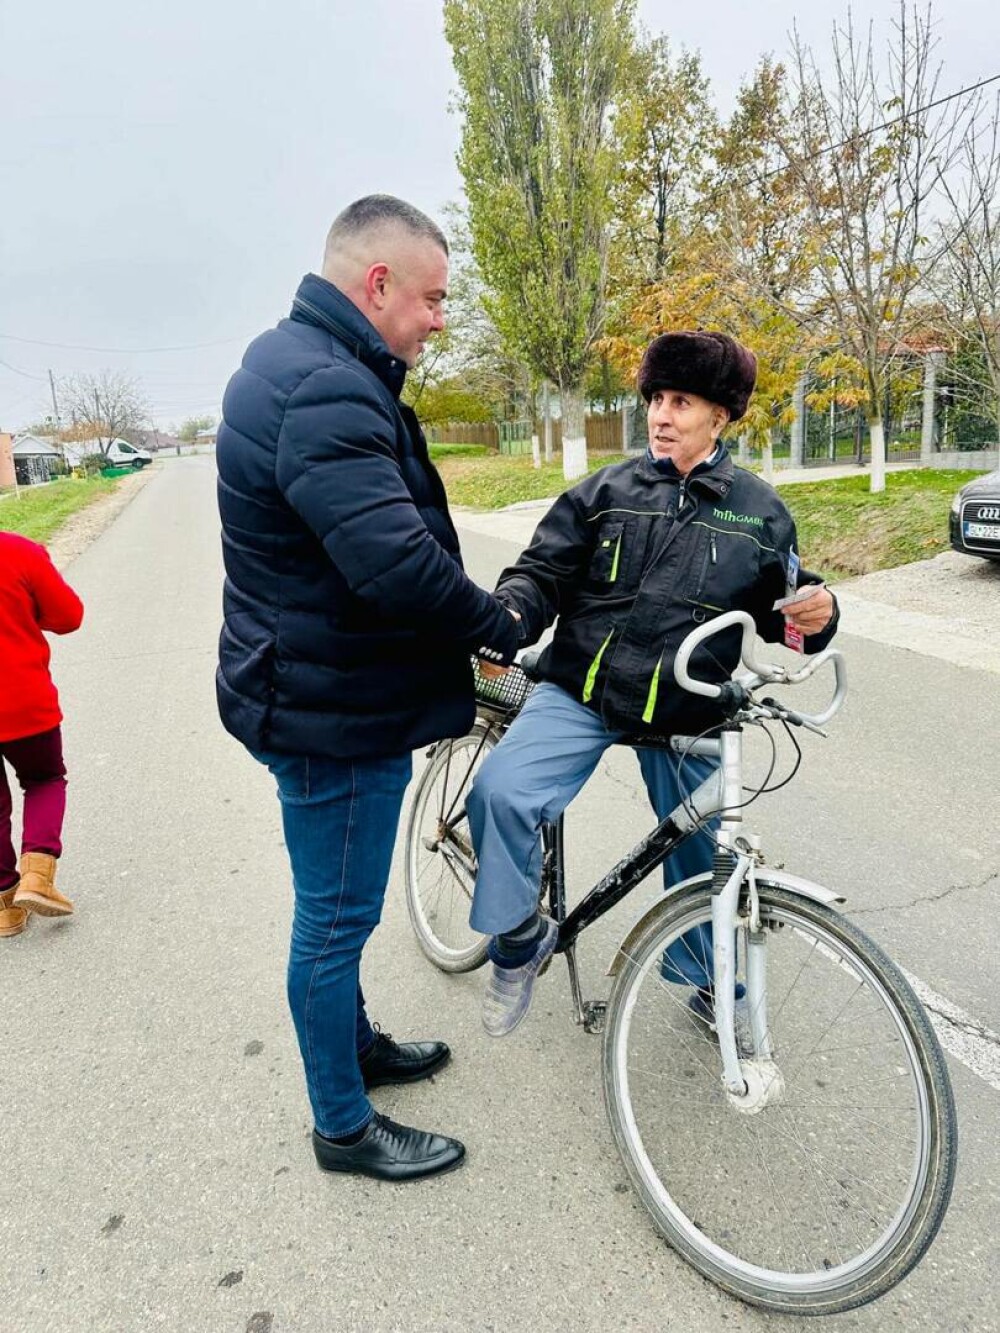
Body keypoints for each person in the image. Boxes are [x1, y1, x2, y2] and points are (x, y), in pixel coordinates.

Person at [215, 196, 520, 1182]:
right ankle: (342, 1125)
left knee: (329, 904)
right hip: (326, 709)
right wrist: (495, 625)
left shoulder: (295, 360)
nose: (439, 318)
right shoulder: (329, 391)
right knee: (336, 917)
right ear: (375, 283)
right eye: (432, 298)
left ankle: (354, 1048)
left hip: (302, 682)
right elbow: (391, 563)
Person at [467, 330, 838, 1036]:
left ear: (720, 417)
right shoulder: (604, 490)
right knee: (502, 792)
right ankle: (518, 939)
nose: (661, 416)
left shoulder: (761, 514)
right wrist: (512, 611)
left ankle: (702, 978)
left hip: (685, 708)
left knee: (705, 840)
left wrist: (818, 614)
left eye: (681, 401)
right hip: (584, 691)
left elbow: (790, 616)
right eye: (655, 400)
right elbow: (540, 572)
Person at [0, 532, 85, 938]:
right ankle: (37, 875)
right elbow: (68, 616)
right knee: (44, 779)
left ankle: (5, 907)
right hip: (22, 701)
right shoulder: (17, 552)